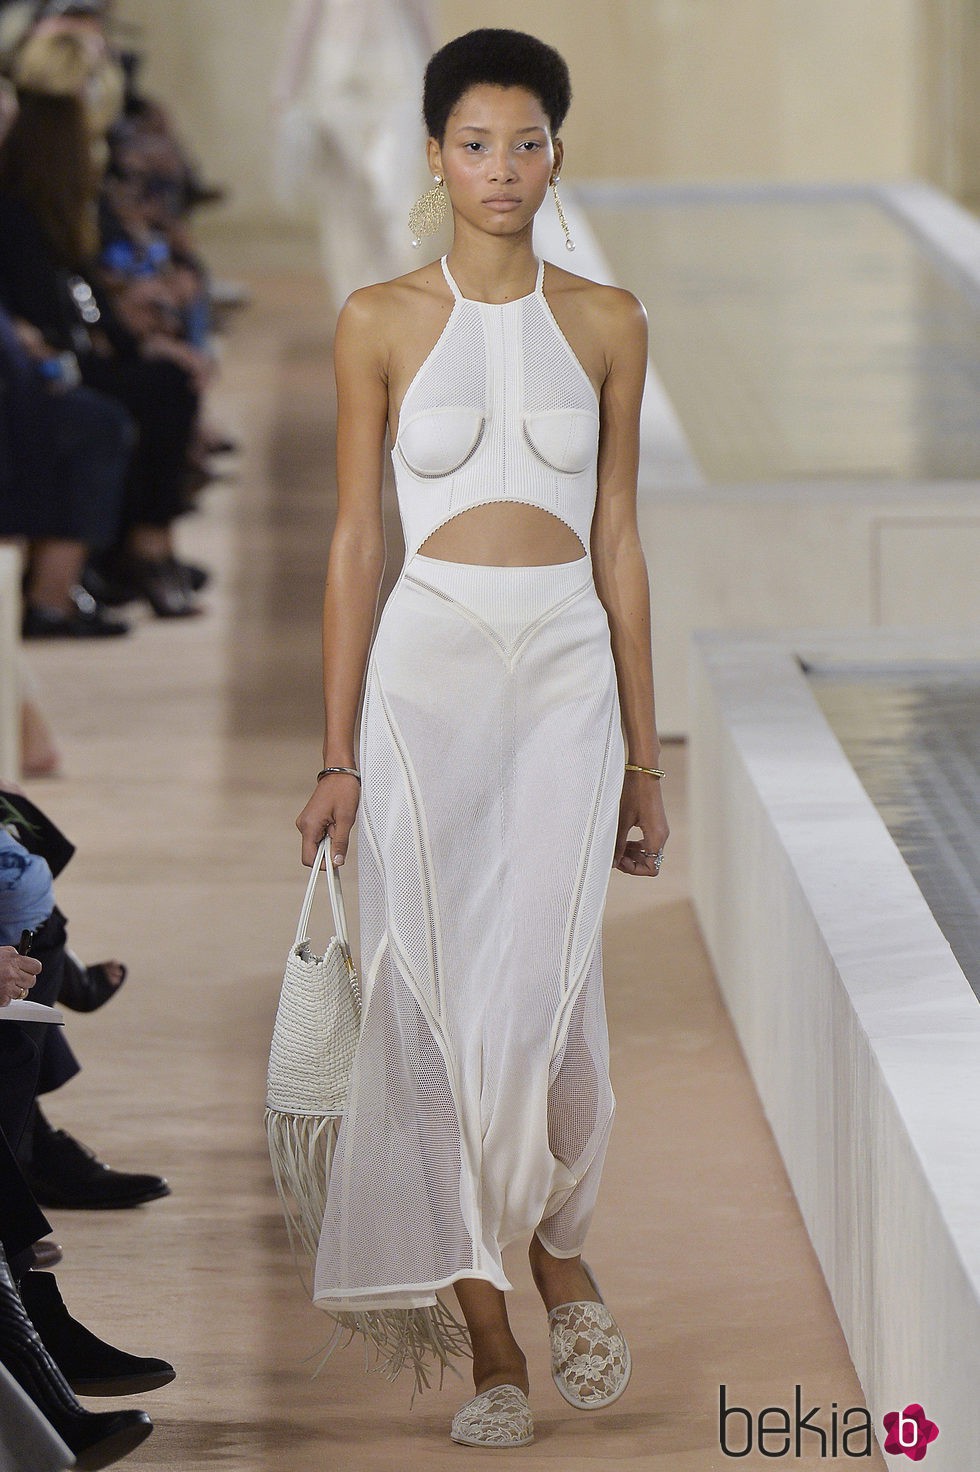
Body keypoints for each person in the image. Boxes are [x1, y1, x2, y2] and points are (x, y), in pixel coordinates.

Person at [295, 28, 668, 1449]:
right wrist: (334, 755)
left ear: (558, 153)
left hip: (567, 673)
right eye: (472, 143)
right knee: (424, 1003)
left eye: (525, 142)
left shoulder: (612, 319)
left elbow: (621, 541)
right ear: (435, 154)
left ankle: (561, 1242)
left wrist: (645, 757)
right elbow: (351, 542)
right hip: (425, 676)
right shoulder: (378, 318)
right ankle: (495, 1339)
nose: (500, 170)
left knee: (555, 994)